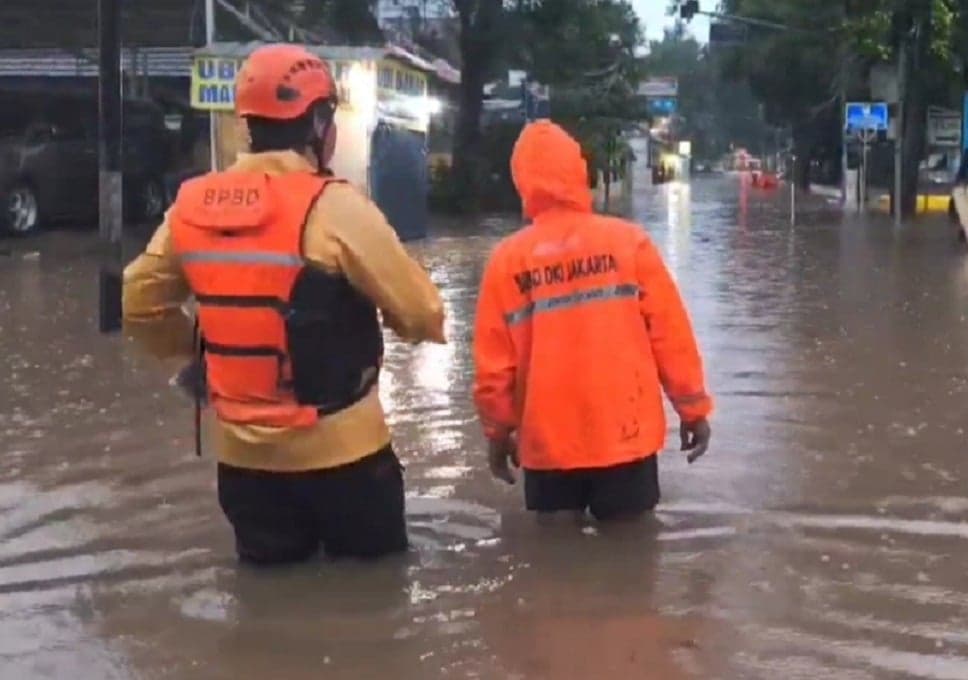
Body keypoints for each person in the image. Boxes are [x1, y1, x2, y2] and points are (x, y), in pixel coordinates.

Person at [122, 44, 445, 565]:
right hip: (348, 458)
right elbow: (423, 314)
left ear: (248, 124)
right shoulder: (337, 206)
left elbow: (139, 305)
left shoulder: (191, 204)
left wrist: (210, 351)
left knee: (266, 603)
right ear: (320, 124)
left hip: (245, 469)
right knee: (376, 605)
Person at [472, 120, 712, 521]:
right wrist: (693, 410)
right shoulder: (628, 243)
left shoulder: (506, 261)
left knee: (556, 566)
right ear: (579, 172)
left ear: (522, 183)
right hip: (625, 436)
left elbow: (493, 369)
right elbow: (671, 338)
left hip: (547, 444)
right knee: (634, 561)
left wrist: (497, 434)